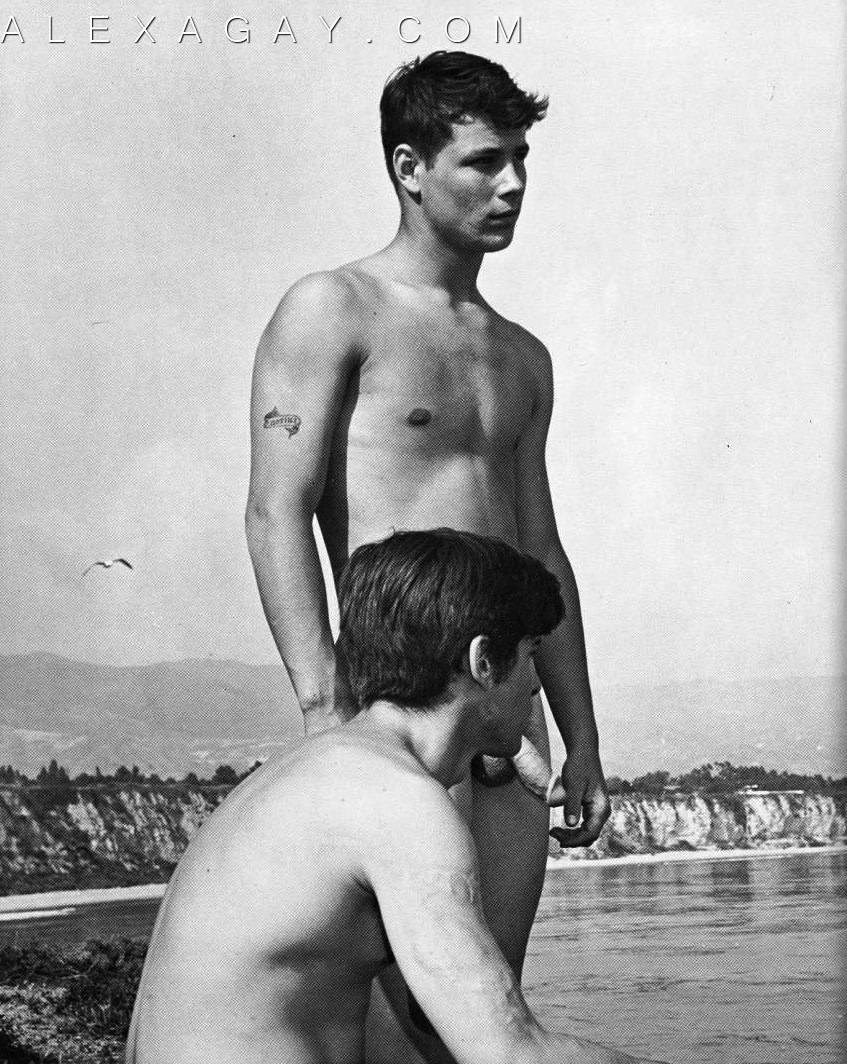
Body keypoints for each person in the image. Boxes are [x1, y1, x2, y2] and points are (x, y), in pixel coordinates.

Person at [246, 50, 610, 1058]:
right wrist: (323, 709)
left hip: (508, 713)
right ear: (409, 167)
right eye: (484, 161)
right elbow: (275, 510)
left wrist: (581, 736)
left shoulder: (521, 355)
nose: (513, 184)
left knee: (482, 1012)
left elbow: (541, 551)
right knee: (393, 1021)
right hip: (397, 704)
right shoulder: (333, 308)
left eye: (521, 158)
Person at [127, 530, 658, 1064]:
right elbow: (509, 1055)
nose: (536, 686)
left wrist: (499, 746)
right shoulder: (404, 806)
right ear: (483, 662)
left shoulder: (321, 771)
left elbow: (441, 1012)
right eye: (529, 656)